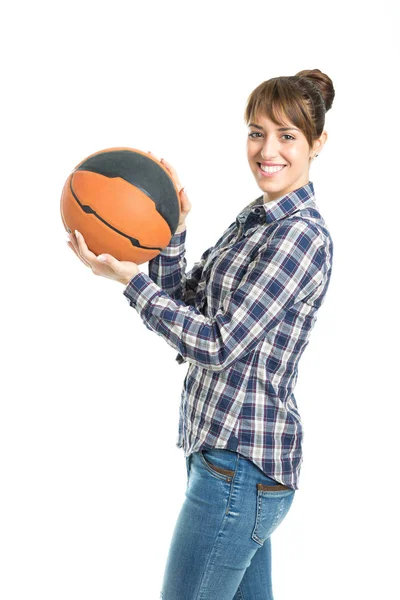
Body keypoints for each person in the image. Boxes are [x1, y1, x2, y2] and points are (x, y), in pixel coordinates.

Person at [67, 68, 335, 600]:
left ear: (317, 143)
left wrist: (129, 281)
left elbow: (217, 344)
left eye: (287, 136)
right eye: (257, 132)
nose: (267, 150)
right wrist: (171, 234)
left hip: (240, 468)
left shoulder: (300, 237)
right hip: (224, 462)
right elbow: (188, 306)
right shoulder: (256, 219)